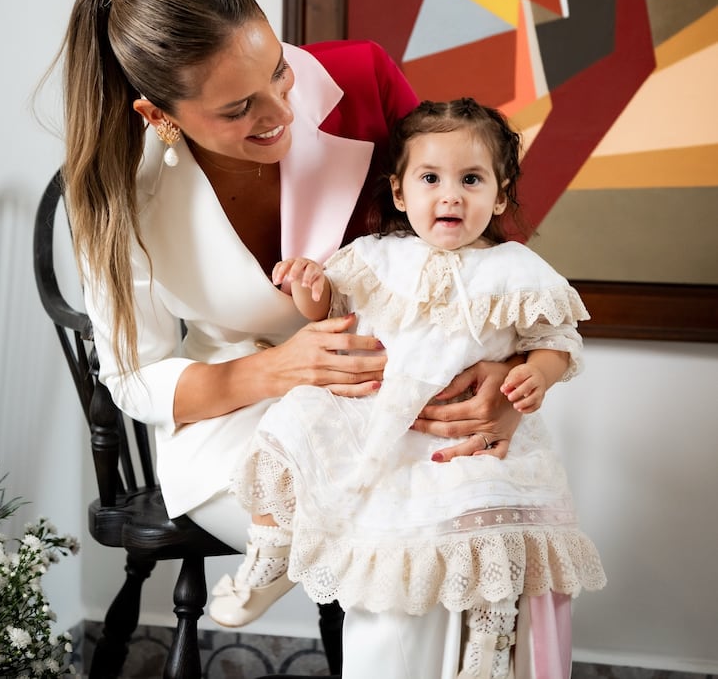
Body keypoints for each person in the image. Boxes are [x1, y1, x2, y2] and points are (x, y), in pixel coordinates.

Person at [50, 0, 574, 679]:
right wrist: (276, 368)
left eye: (279, 74)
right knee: (397, 552)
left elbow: (484, 242)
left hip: (408, 398)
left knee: (464, 530)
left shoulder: (361, 80)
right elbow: (136, 378)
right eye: (237, 110)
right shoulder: (117, 197)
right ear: (158, 114)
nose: (279, 111)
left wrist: (507, 381)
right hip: (244, 424)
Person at [210, 98, 606, 679]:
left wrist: (536, 374)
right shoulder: (375, 257)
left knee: (484, 504)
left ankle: (486, 645)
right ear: (400, 193)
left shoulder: (514, 269)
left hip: (461, 434)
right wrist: (309, 285)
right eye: (431, 178)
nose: (450, 195)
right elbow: (328, 311)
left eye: (471, 179)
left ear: (498, 196)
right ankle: (270, 554)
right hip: (376, 418)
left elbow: (557, 339)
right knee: (293, 420)